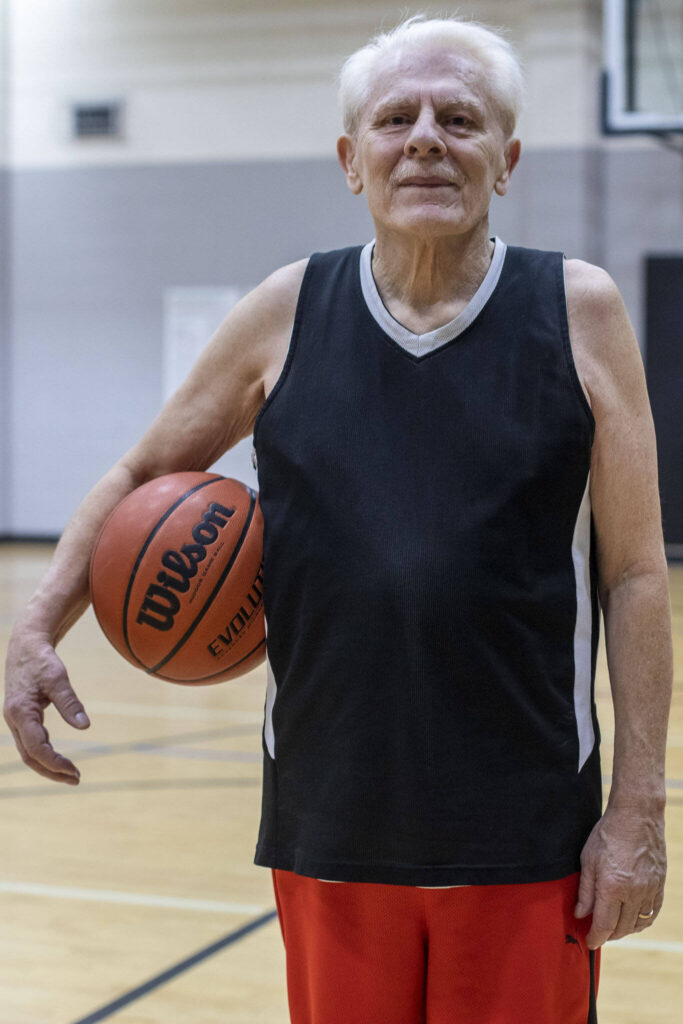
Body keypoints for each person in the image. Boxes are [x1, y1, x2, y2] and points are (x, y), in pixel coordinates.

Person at [4, 14, 673, 1024]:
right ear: (349, 160)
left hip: (524, 827)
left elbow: (632, 574)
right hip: (330, 818)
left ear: (508, 160)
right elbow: (143, 470)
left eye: (460, 118)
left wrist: (635, 809)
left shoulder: (576, 311)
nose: (424, 138)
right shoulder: (285, 311)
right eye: (393, 117)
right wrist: (36, 626)